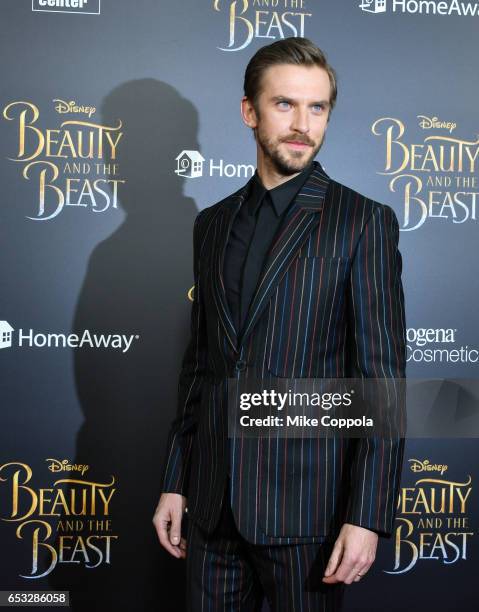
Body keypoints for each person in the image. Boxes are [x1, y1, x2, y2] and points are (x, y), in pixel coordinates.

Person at [153, 36, 406, 611]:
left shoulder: (363, 222)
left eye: (318, 108)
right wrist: (176, 477)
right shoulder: (212, 225)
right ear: (250, 111)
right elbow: (201, 363)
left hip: (308, 513)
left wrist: (366, 515)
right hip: (212, 508)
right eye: (285, 105)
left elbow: (382, 382)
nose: (303, 125)